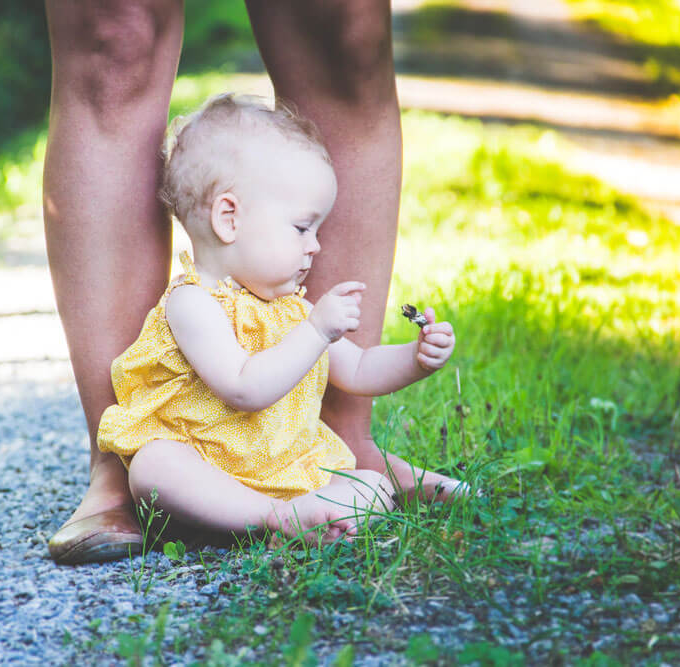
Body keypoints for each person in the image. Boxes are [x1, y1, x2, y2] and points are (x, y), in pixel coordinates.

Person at [43, 0, 459, 564]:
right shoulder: (194, 306)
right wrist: (315, 331)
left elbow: (358, 370)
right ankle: (269, 515)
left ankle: (336, 469)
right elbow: (244, 387)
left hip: (284, 456)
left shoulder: (288, 309)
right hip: (200, 456)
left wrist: (415, 359)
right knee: (156, 467)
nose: (317, 246)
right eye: (302, 228)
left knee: (345, 32)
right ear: (229, 218)